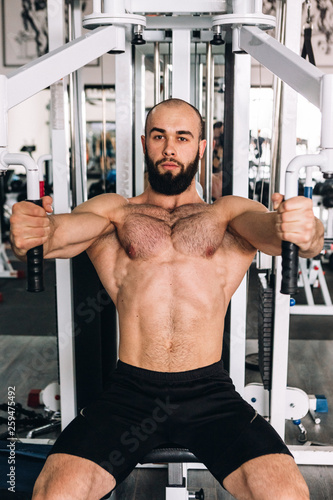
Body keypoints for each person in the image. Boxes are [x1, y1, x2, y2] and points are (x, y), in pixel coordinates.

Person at [10, 98, 323, 500]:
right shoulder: (114, 212)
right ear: (144, 143)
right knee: (53, 494)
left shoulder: (228, 214)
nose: (170, 148)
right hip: (129, 394)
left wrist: (305, 230)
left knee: (287, 494)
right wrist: (32, 229)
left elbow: (280, 233)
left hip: (210, 394)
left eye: (182, 137)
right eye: (159, 137)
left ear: (201, 147)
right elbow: (53, 236)